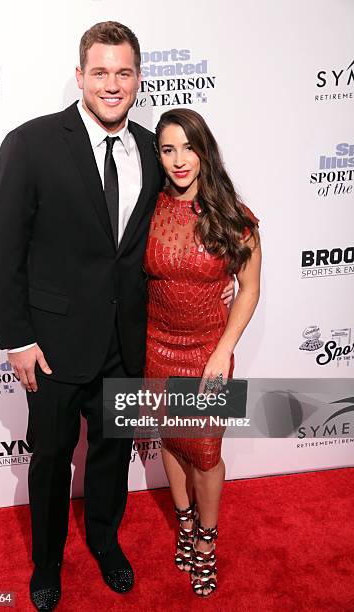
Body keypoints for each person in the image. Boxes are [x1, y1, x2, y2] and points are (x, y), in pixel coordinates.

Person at [0, 20, 235, 610]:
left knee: (112, 453)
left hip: (126, 342)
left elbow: (188, 222)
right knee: (49, 459)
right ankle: (46, 564)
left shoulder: (155, 148)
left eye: (124, 72)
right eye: (100, 72)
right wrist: (17, 338)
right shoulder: (32, 142)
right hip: (49, 345)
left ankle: (103, 540)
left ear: (139, 79)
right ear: (80, 76)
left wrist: (222, 279)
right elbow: (3, 250)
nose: (112, 84)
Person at [144, 108, 261, 597]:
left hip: (208, 350)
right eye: (168, 149)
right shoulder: (146, 208)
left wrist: (223, 351)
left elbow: (249, 289)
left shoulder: (233, 215)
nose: (179, 160)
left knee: (207, 452)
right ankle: (185, 523)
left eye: (188, 147)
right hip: (154, 346)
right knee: (171, 439)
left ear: (204, 149)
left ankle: (207, 543)